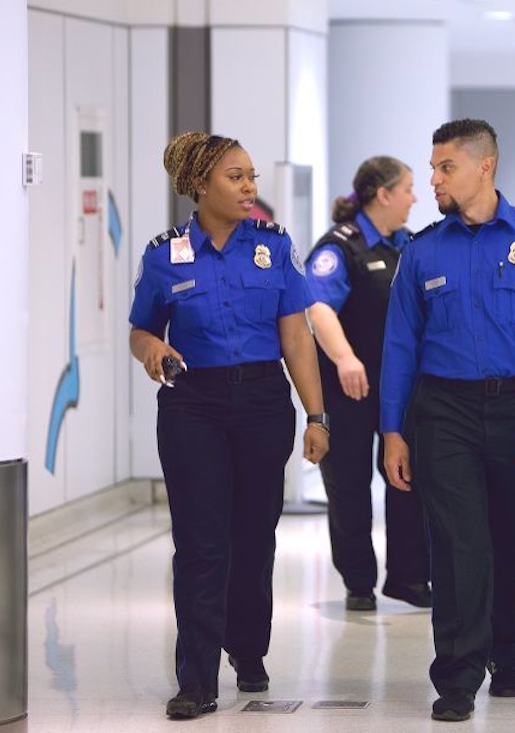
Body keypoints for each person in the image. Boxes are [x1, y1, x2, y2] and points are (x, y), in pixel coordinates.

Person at [380, 119, 515, 722]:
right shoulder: (422, 251)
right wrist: (393, 428)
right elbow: (399, 347)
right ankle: (458, 676)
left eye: (446, 168)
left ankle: (508, 653)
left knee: (512, 540)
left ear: (484, 166)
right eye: (433, 167)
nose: (435, 179)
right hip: (443, 412)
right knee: (459, 543)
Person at [128, 131, 329, 720]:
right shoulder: (164, 254)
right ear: (199, 185)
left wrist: (316, 415)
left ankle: (247, 648)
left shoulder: (274, 246)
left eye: (251, 176)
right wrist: (151, 350)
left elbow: (297, 335)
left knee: (252, 536)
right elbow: (141, 326)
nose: (249, 188)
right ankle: (196, 678)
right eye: (235, 177)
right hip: (193, 404)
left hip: (265, 402)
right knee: (199, 543)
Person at [305, 156, 431, 613]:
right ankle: (358, 582)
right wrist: (344, 358)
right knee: (350, 484)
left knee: (407, 477)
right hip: (350, 389)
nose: (415, 198)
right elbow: (318, 308)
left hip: (401, 387)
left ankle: (410, 578)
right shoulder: (341, 247)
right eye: (409, 189)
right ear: (383, 194)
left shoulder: (408, 245)